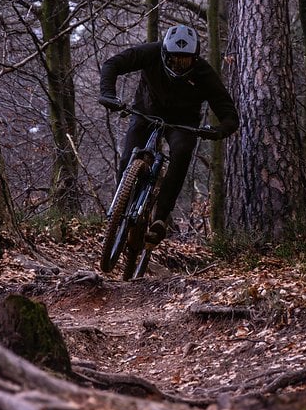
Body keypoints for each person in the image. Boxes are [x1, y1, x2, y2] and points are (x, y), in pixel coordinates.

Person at [98, 23, 239, 246]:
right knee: (128, 158)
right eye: (174, 59)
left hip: (182, 122)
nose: (180, 65)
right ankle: (118, 213)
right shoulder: (150, 52)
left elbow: (229, 114)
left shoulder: (203, 73)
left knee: (182, 152)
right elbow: (112, 64)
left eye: (185, 60)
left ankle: (160, 219)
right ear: (164, 53)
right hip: (145, 111)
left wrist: (217, 131)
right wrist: (108, 94)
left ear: (195, 57)